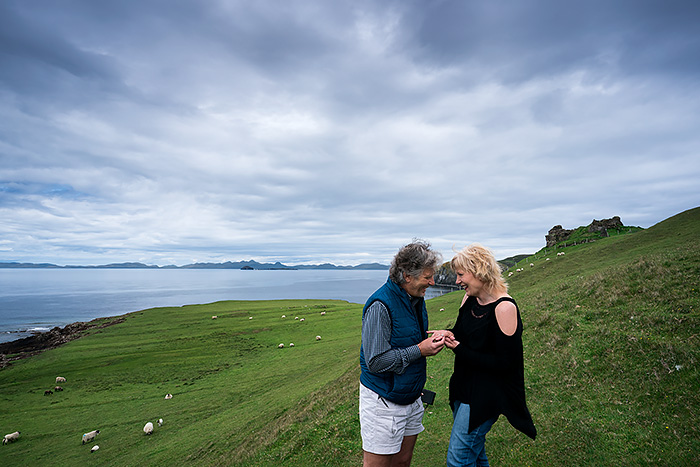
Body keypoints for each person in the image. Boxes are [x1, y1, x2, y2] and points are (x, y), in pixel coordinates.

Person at [431, 243, 536, 467]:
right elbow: (462, 333)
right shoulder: (469, 299)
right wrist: (449, 334)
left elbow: (505, 364)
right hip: (462, 387)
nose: (458, 281)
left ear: (479, 271)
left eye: (460, 274)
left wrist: (458, 347)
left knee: (458, 461)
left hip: (485, 396)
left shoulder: (504, 308)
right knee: (475, 455)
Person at [359, 240, 445, 467]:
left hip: (410, 396)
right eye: (427, 277)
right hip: (384, 401)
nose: (432, 282)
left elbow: (408, 340)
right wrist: (420, 350)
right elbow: (375, 362)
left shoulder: (414, 299)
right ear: (407, 276)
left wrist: (433, 341)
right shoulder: (380, 305)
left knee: (403, 461)